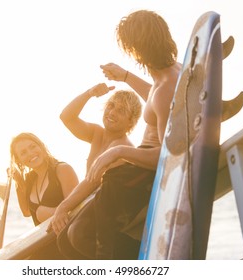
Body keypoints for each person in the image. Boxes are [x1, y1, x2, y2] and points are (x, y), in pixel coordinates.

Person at [73, 10, 181, 259]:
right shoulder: (171, 73)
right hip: (138, 169)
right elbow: (155, 99)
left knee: (77, 238)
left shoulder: (166, 88)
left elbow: (168, 157)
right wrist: (125, 76)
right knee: (72, 238)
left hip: (143, 175)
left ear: (136, 50)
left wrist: (118, 152)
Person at [49, 83, 143, 259]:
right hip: (96, 212)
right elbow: (66, 117)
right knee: (64, 241)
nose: (112, 112)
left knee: (75, 237)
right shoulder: (97, 134)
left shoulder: (122, 146)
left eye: (121, 110)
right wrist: (90, 93)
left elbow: (92, 181)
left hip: (113, 218)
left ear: (131, 121)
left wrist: (62, 207)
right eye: (111, 106)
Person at [10, 132, 79, 259]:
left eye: (32, 147)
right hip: (44, 246)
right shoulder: (30, 180)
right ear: (19, 160)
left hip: (68, 247)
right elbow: (26, 212)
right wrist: (18, 181)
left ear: (41, 146)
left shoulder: (62, 170)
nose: (30, 153)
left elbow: (77, 211)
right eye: (23, 152)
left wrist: (48, 212)